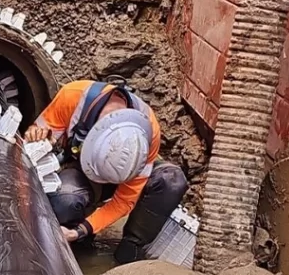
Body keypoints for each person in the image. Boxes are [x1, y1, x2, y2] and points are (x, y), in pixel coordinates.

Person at [24, 78, 188, 264]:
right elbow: (34, 142)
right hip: (81, 172)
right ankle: (75, 237)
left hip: (128, 176)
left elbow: (124, 201)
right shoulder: (73, 97)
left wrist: (80, 230)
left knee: (171, 180)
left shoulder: (148, 130)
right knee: (64, 201)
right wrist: (35, 135)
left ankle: (131, 246)